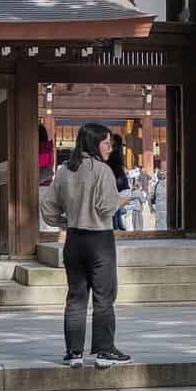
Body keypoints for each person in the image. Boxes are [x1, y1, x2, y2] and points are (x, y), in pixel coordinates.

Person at [41, 121, 131, 368]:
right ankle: (104, 350)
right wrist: (124, 200)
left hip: (74, 238)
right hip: (99, 239)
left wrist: (62, 220)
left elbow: (47, 207)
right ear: (94, 143)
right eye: (106, 143)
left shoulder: (64, 171)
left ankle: (74, 352)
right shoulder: (102, 171)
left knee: (76, 297)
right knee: (103, 296)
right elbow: (105, 208)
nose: (109, 148)